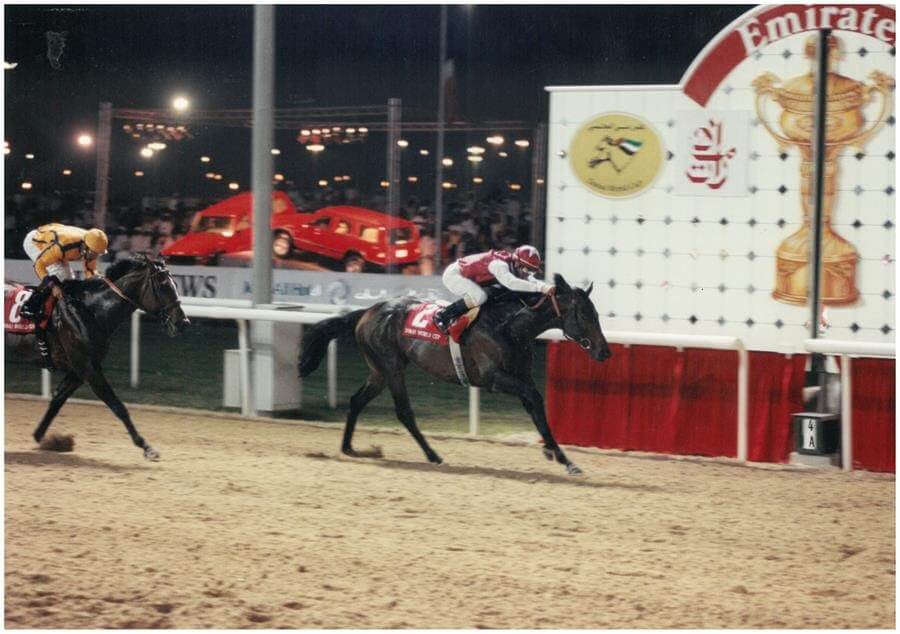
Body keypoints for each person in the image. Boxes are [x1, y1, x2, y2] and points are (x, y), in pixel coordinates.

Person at [20, 223, 108, 368]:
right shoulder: (64, 246)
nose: (95, 256)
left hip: (55, 239)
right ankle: (32, 305)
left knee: (68, 277)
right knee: (60, 275)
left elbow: (90, 272)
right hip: (35, 241)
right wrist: (53, 286)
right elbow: (39, 266)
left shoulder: (91, 246)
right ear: (85, 246)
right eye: (94, 253)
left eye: (98, 254)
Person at [432, 244, 554, 334]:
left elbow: (528, 280)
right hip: (454, 276)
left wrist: (544, 286)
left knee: (494, 293)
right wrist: (540, 287)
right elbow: (511, 283)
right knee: (480, 296)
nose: (528, 274)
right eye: (527, 270)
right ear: (517, 263)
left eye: (531, 272)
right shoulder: (499, 265)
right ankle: (443, 315)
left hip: (469, 277)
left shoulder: (515, 264)